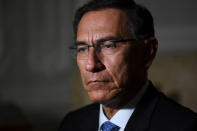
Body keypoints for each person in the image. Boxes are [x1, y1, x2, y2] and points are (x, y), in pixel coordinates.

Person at [59, 0, 197, 130]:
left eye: (108, 46)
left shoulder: (185, 126)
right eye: (82, 49)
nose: (91, 65)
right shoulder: (72, 124)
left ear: (147, 52)